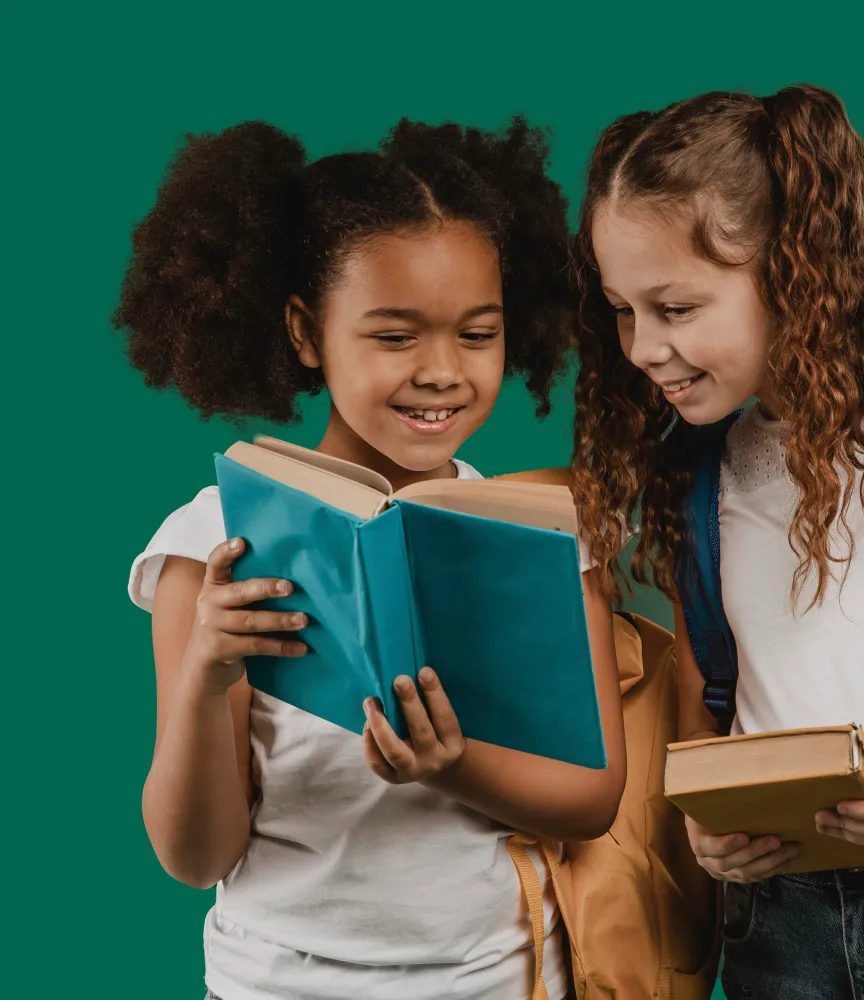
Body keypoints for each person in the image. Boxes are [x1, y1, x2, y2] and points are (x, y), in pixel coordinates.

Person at [116, 117, 625, 1000]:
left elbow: (593, 799)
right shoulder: (209, 548)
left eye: (477, 334)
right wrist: (205, 677)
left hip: (501, 984)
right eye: (394, 336)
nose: (442, 372)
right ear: (307, 333)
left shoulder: (543, 532)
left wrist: (451, 762)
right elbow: (196, 857)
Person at [570, 84, 864, 997]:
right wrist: (707, 827)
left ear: (795, 272)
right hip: (782, 928)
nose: (642, 348)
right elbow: (703, 708)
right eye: (622, 310)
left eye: (676, 308)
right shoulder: (698, 480)